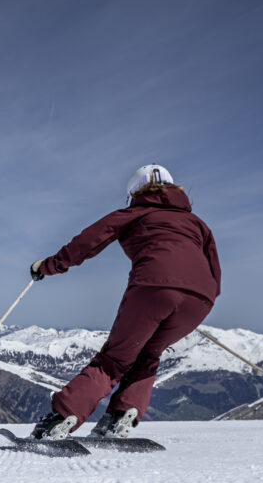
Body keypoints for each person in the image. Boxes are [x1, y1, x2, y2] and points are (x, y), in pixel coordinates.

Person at [29, 164, 221, 440]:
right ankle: (119, 418)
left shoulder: (134, 213)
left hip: (153, 288)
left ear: (134, 192)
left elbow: (88, 242)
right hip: (201, 299)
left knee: (114, 359)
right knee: (148, 355)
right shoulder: (199, 225)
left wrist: (47, 266)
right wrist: (194, 299)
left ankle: (62, 419)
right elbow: (215, 271)